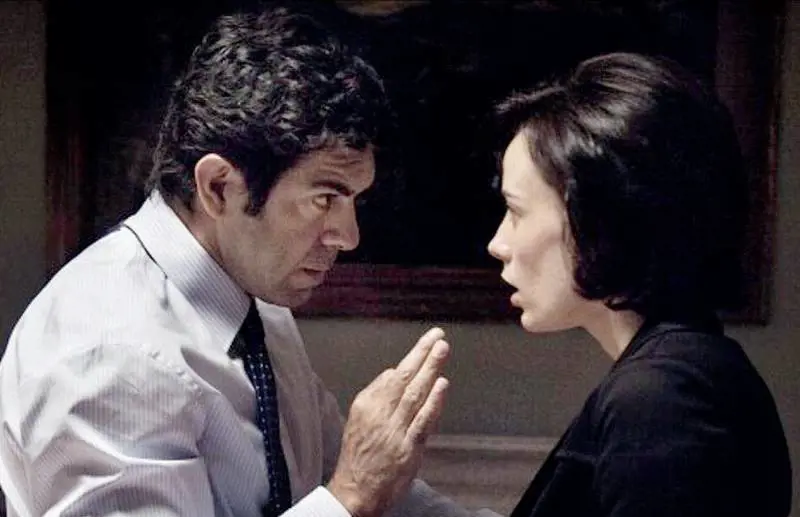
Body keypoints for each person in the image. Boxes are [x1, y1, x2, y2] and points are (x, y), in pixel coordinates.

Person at [0, 7, 489, 517]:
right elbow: (352, 489)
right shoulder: (108, 353)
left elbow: (351, 480)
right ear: (219, 187)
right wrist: (351, 497)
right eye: (326, 198)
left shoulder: (258, 306)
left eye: (353, 200)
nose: (349, 236)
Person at [488, 52, 792, 517]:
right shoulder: (686, 372)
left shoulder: (661, 399)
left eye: (517, 211)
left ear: (602, 220)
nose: (498, 244)